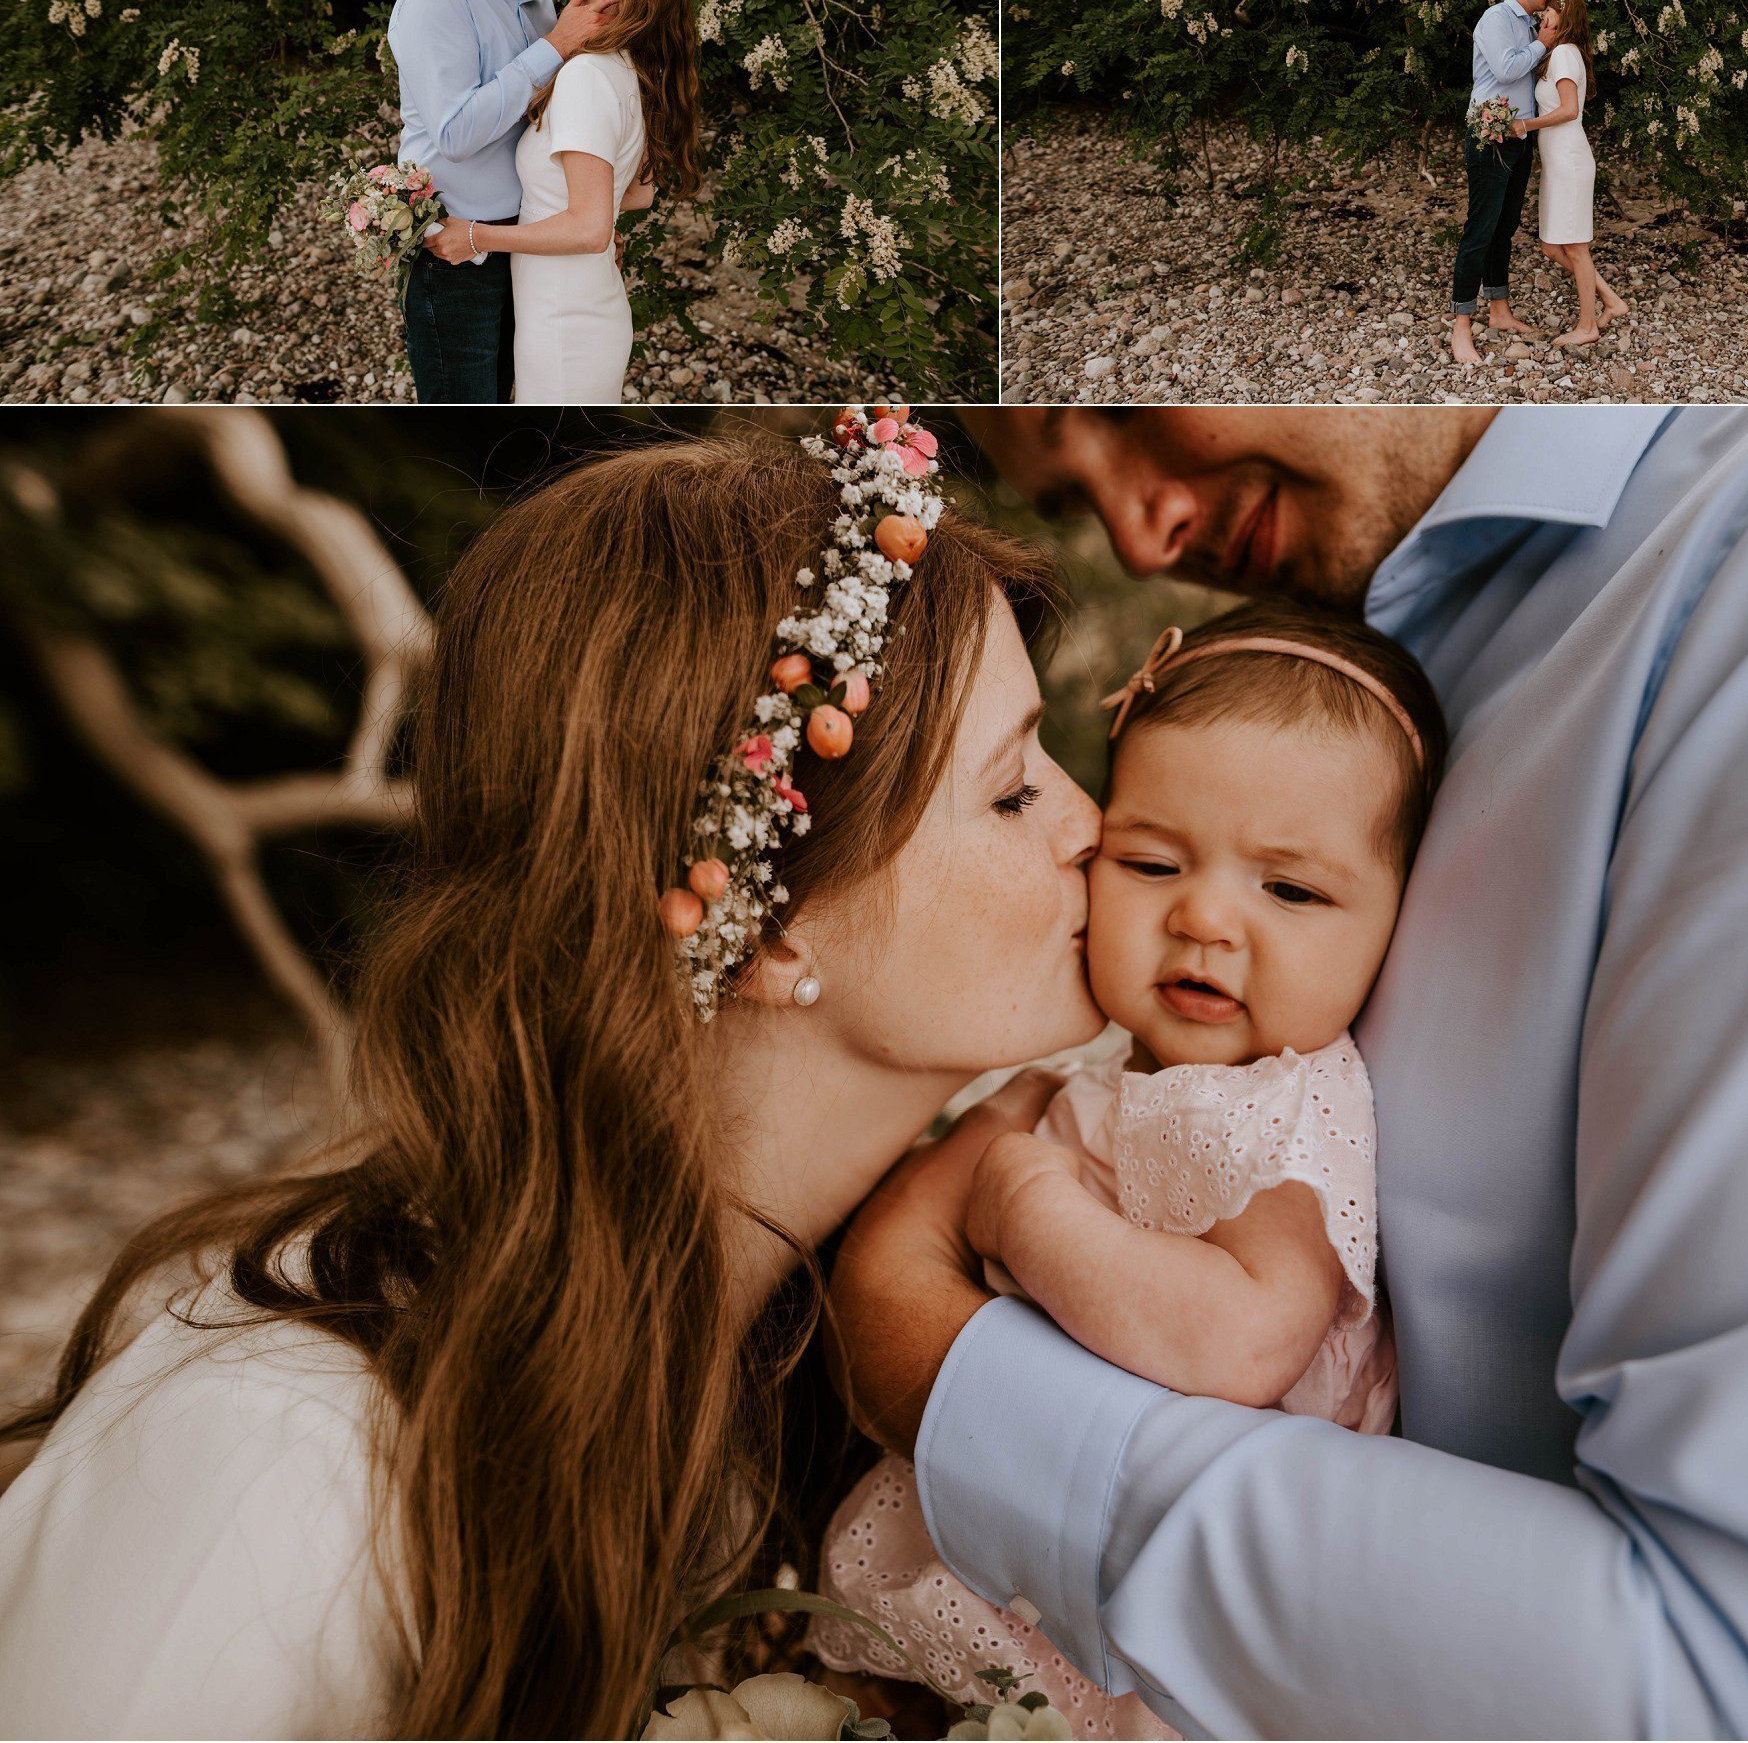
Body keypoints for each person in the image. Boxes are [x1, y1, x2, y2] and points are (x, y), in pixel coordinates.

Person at [830, 404, 1748, 1737]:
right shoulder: (1354, 659)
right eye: (1072, 494)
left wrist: (959, 1368)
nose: (1148, 534)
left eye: (1103, 413)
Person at [0, 413, 1103, 1736]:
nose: (1092, 819)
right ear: (769, 929)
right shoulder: (276, 1469)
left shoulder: (796, 1378)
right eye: (1013, 791)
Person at [811, 602, 1444, 1738]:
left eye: (1288, 890)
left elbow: (1240, 1341)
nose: (1203, 915)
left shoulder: (1290, 1108)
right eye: (1150, 862)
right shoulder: (1103, 1063)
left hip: (1143, 1616)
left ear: (1394, 923)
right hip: (1015, 1525)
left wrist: (1028, 1202)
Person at [425, 0, 701, 405]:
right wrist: (598, 212)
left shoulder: (588, 76)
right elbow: (636, 193)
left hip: (564, 323)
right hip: (578, 304)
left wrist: (474, 236)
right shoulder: (627, 67)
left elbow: (589, 229)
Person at [386, 0, 618, 405]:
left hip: (527, 242)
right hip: (455, 250)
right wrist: (557, 46)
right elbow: (457, 133)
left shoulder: (540, 3)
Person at [1449, 0, 1558, 369]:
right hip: (1489, 136)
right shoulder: (1496, 18)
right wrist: (1543, 44)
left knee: (1505, 226)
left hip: (1518, 136)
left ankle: (1499, 309)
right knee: (1480, 227)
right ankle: (1461, 325)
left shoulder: (1533, 24)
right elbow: (1507, 68)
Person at [1518, 0, 1628, 348]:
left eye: (1548, 11)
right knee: (1551, 246)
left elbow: (1569, 110)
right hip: (1558, 161)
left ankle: (1587, 326)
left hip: (1570, 160)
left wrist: (1526, 124)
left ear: (1562, 19)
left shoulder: (1565, 54)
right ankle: (1611, 300)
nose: (1542, 15)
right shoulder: (1561, 52)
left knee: (1577, 248)